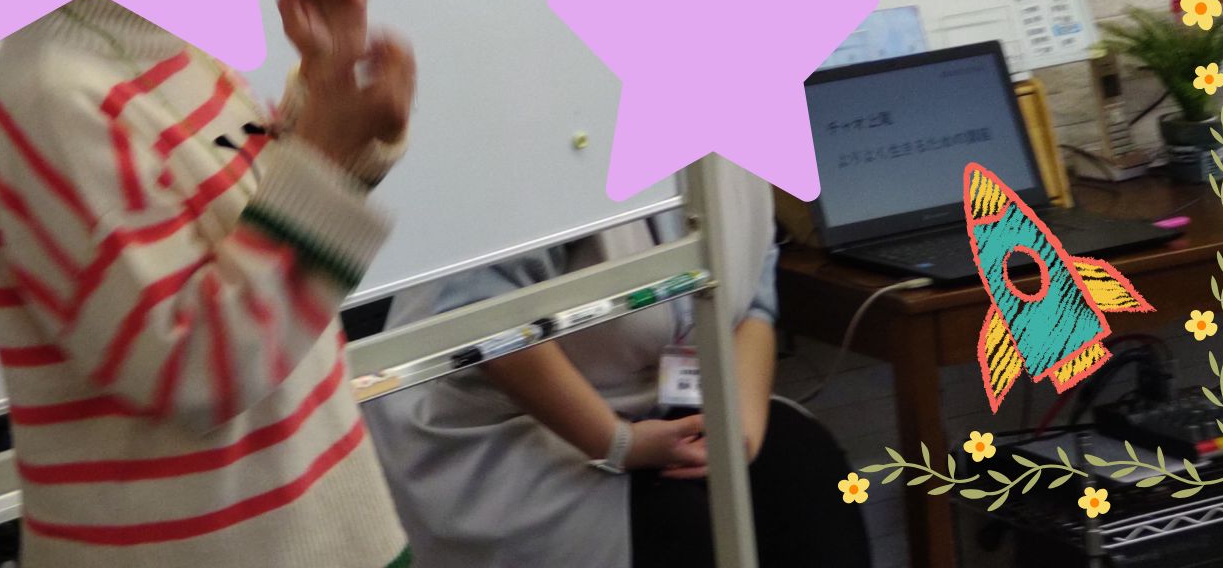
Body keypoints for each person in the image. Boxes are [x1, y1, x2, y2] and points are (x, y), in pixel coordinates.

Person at [0, 0, 418, 568]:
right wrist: (326, 155)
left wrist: (328, 95)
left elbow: (254, 234)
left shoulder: (160, 39)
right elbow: (194, 367)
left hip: (338, 525)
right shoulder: (53, 96)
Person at [364, 160, 870, 567]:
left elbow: (756, 296)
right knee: (680, 528)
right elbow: (485, 318)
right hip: (495, 425)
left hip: (655, 400)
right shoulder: (544, 126)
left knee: (806, 474)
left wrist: (739, 430)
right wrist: (618, 443)